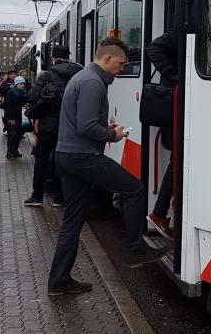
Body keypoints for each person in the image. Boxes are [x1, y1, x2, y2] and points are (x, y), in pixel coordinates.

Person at [48, 37, 167, 296]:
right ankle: (135, 250)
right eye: (121, 64)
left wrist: (106, 130)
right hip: (83, 157)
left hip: (67, 155)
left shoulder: (84, 78)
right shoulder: (92, 82)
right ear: (107, 59)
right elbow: (87, 127)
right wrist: (113, 135)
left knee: (73, 221)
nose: (122, 69)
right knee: (134, 188)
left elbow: (85, 123)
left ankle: (59, 281)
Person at [24, 45, 83, 207]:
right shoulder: (79, 74)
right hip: (70, 125)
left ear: (53, 58)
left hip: (47, 126)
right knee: (62, 160)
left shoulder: (47, 75)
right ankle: (60, 196)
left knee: (41, 160)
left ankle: (37, 196)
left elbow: (32, 97)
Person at [144, 28, 177, 239]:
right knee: (179, 159)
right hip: (175, 101)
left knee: (178, 159)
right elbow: (152, 48)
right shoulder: (179, 32)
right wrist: (174, 74)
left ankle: (161, 212)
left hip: (177, 101)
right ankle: (160, 212)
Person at [2, 76, 28, 158]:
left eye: (23, 84)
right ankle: (9, 151)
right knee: (12, 134)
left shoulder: (23, 93)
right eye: (20, 84)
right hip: (11, 117)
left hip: (19, 117)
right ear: (16, 84)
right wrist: (11, 118)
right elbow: (7, 106)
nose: (22, 86)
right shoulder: (10, 93)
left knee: (18, 134)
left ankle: (15, 150)